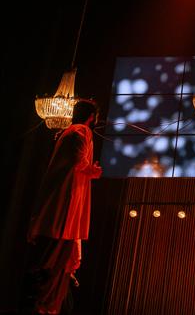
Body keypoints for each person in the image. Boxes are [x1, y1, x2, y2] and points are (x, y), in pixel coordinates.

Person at [24, 100, 102, 314]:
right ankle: (44, 303)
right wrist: (92, 171)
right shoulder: (81, 131)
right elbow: (77, 159)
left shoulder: (69, 131)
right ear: (91, 116)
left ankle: (45, 301)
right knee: (56, 249)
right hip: (67, 201)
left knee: (56, 250)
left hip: (62, 197)